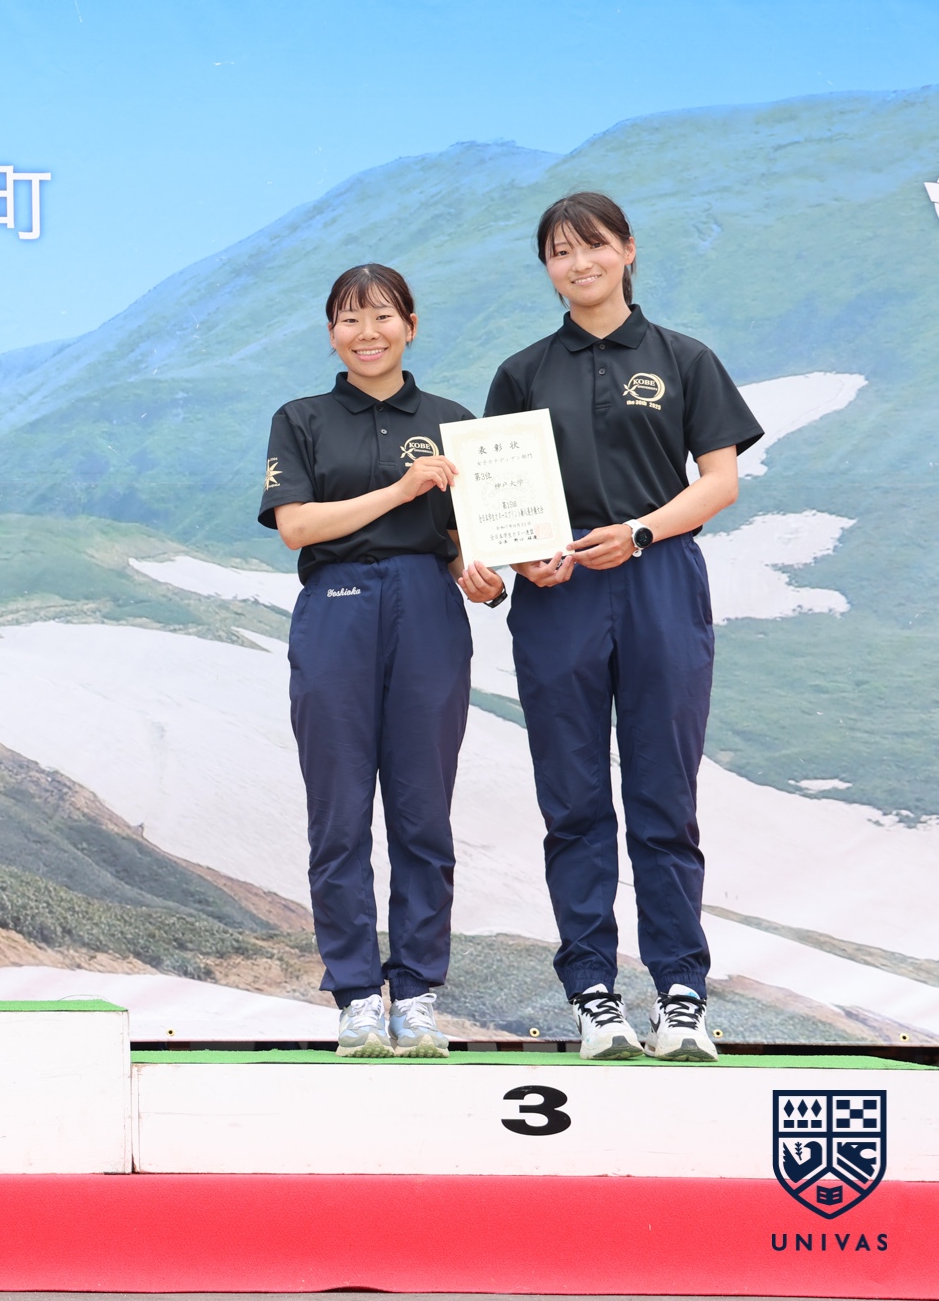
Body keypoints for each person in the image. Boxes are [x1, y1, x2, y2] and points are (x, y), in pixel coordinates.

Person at [460, 192, 759, 1063]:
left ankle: (680, 996)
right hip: (559, 596)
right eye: (558, 251)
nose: (577, 262)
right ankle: (593, 994)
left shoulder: (682, 358)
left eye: (591, 245)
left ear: (626, 249)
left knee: (664, 796)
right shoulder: (521, 373)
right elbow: (498, 499)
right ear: (545, 269)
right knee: (574, 800)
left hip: (658, 577)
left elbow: (718, 482)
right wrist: (521, 558)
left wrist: (638, 533)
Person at [261, 265, 481, 1058]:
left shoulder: (452, 421)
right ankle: (356, 994)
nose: (367, 333)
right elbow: (296, 527)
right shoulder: (302, 419)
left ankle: (415, 994)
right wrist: (400, 490)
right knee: (339, 812)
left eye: (382, 316)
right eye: (349, 319)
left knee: (423, 813)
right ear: (330, 334)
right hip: (337, 604)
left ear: (410, 326)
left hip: (427, 606)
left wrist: (473, 569)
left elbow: (459, 537)